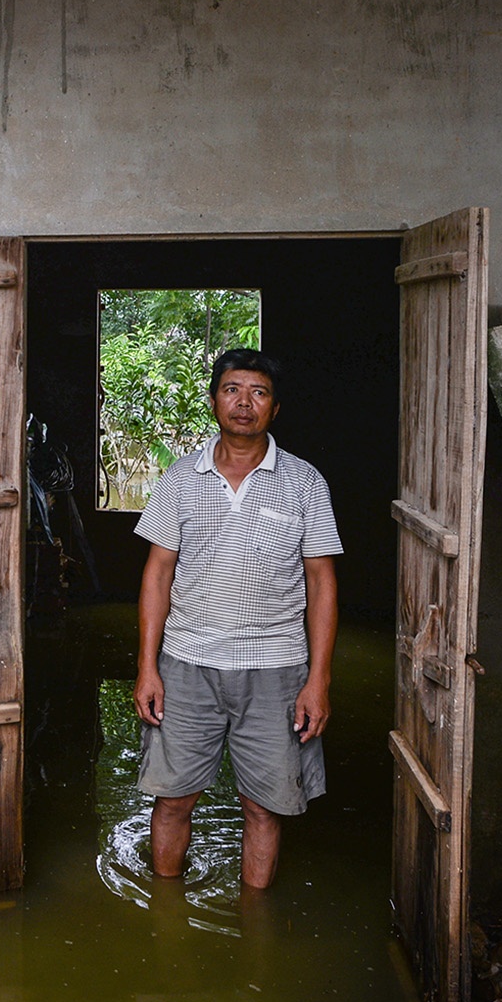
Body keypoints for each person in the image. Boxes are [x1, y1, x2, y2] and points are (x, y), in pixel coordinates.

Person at [132, 348, 341, 889]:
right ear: (213, 401)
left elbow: (321, 583)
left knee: (264, 808)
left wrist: (318, 680)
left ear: (275, 408)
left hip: (276, 670)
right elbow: (157, 575)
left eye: (258, 392)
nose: (244, 403)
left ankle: (255, 929)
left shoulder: (304, 482)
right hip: (186, 664)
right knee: (173, 800)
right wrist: (146, 668)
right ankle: (166, 918)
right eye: (232, 390)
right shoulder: (181, 478)